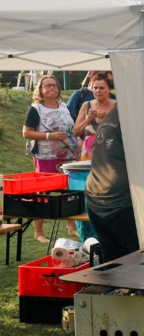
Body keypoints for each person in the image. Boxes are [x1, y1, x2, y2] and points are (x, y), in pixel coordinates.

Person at [87, 80, 144, 262]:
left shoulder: (117, 112)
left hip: (96, 197)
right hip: (119, 201)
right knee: (142, 260)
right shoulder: (137, 117)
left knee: (114, 264)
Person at [22, 75, 78, 242]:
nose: (51, 88)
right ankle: (38, 233)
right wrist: (49, 135)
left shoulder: (64, 106)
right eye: (47, 86)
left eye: (54, 86)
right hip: (45, 157)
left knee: (70, 193)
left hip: (67, 156)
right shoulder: (36, 109)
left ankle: (72, 227)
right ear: (40, 89)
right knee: (43, 193)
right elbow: (26, 132)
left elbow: (71, 129)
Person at [72, 72, 116, 161]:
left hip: (111, 151)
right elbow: (75, 132)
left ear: (109, 89)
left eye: (102, 88)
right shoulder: (86, 105)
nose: (98, 91)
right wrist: (88, 120)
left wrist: (107, 118)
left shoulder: (116, 106)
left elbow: (125, 129)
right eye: (95, 88)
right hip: (88, 153)